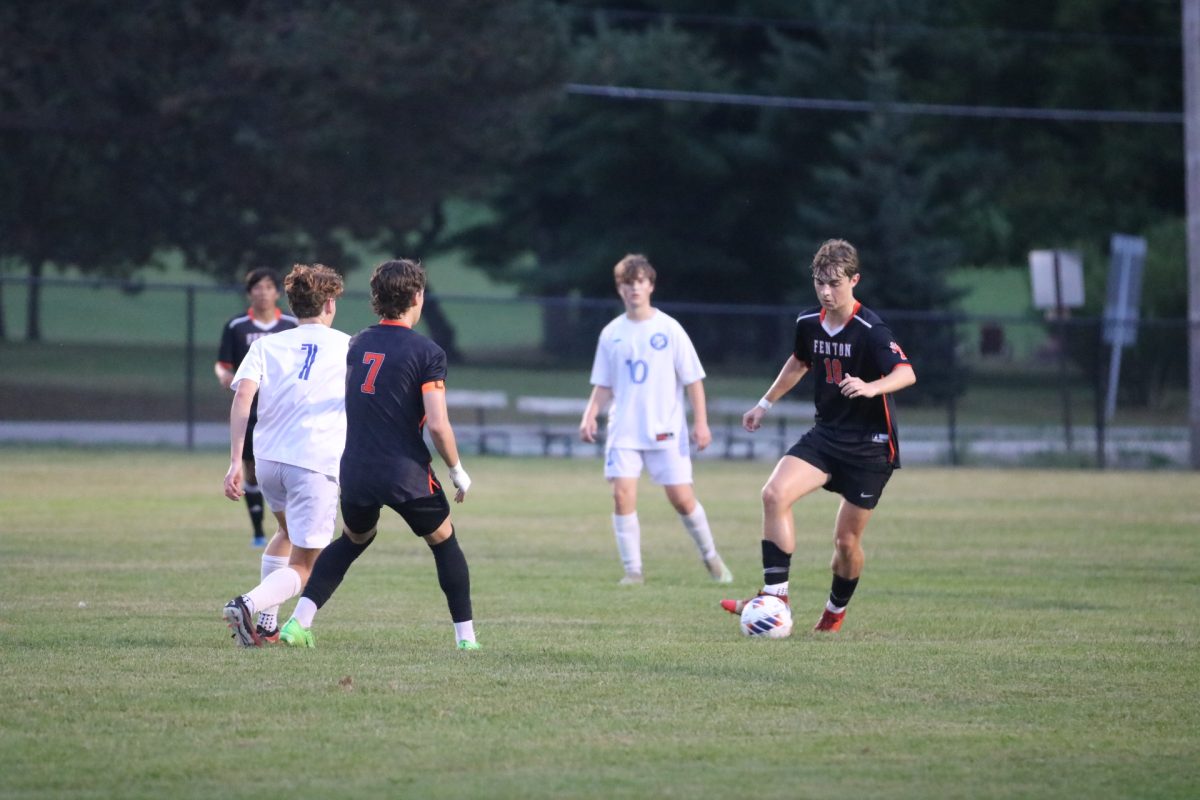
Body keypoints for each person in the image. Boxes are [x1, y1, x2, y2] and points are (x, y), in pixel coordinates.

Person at [277, 258, 478, 651]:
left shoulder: (356, 343)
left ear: (376, 299)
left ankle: (298, 623)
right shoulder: (428, 352)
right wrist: (456, 470)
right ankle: (466, 640)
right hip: (404, 472)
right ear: (417, 296)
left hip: (355, 470)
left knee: (354, 538)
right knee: (444, 541)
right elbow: (437, 424)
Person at [720, 239, 915, 632]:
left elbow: (906, 373)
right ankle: (775, 595)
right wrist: (764, 404)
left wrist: (871, 387)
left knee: (845, 544)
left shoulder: (870, 329)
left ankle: (834, 612)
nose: (826, 292)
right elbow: (799, 362)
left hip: (869, 448)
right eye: (819, 283)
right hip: (826, 436)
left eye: (835, 283)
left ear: (854, 280)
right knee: (774, 494)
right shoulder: (808, 322)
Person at [579, 254, 733, 586]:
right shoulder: (611, 333)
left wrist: (701, 423)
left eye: (640, 282)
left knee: (681, 499)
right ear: (620, 288)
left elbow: (693, 380)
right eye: (627, 283)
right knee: (621, 495)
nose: (634, 289)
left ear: (650, 285)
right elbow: (603, 384)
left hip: (665, 429)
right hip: (623, 430)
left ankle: (711, 557)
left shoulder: (669, 329)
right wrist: (590, 414)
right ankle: (633, 571)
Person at [220, 264, 349, 646]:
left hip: (269, 461)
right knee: (308, 566)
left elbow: (243, 397)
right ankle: (247, 604)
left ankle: (266, 626)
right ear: (329, 303)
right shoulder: (347, 345)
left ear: (292, 303)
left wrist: (234, 462)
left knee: (285, 532)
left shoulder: (266, 345)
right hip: (314, 462)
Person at [215, 268, 299, 547]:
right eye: (257, 287)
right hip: (251, 409)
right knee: (251, 470)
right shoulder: (236, 326)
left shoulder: (291, 325)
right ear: (250, 292)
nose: (263, 292)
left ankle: (287, 528)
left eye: (268, 287)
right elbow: (223, 363)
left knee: (283, 467)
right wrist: (224, 376)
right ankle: (260, 532)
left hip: (284, 409)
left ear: (278, 292)